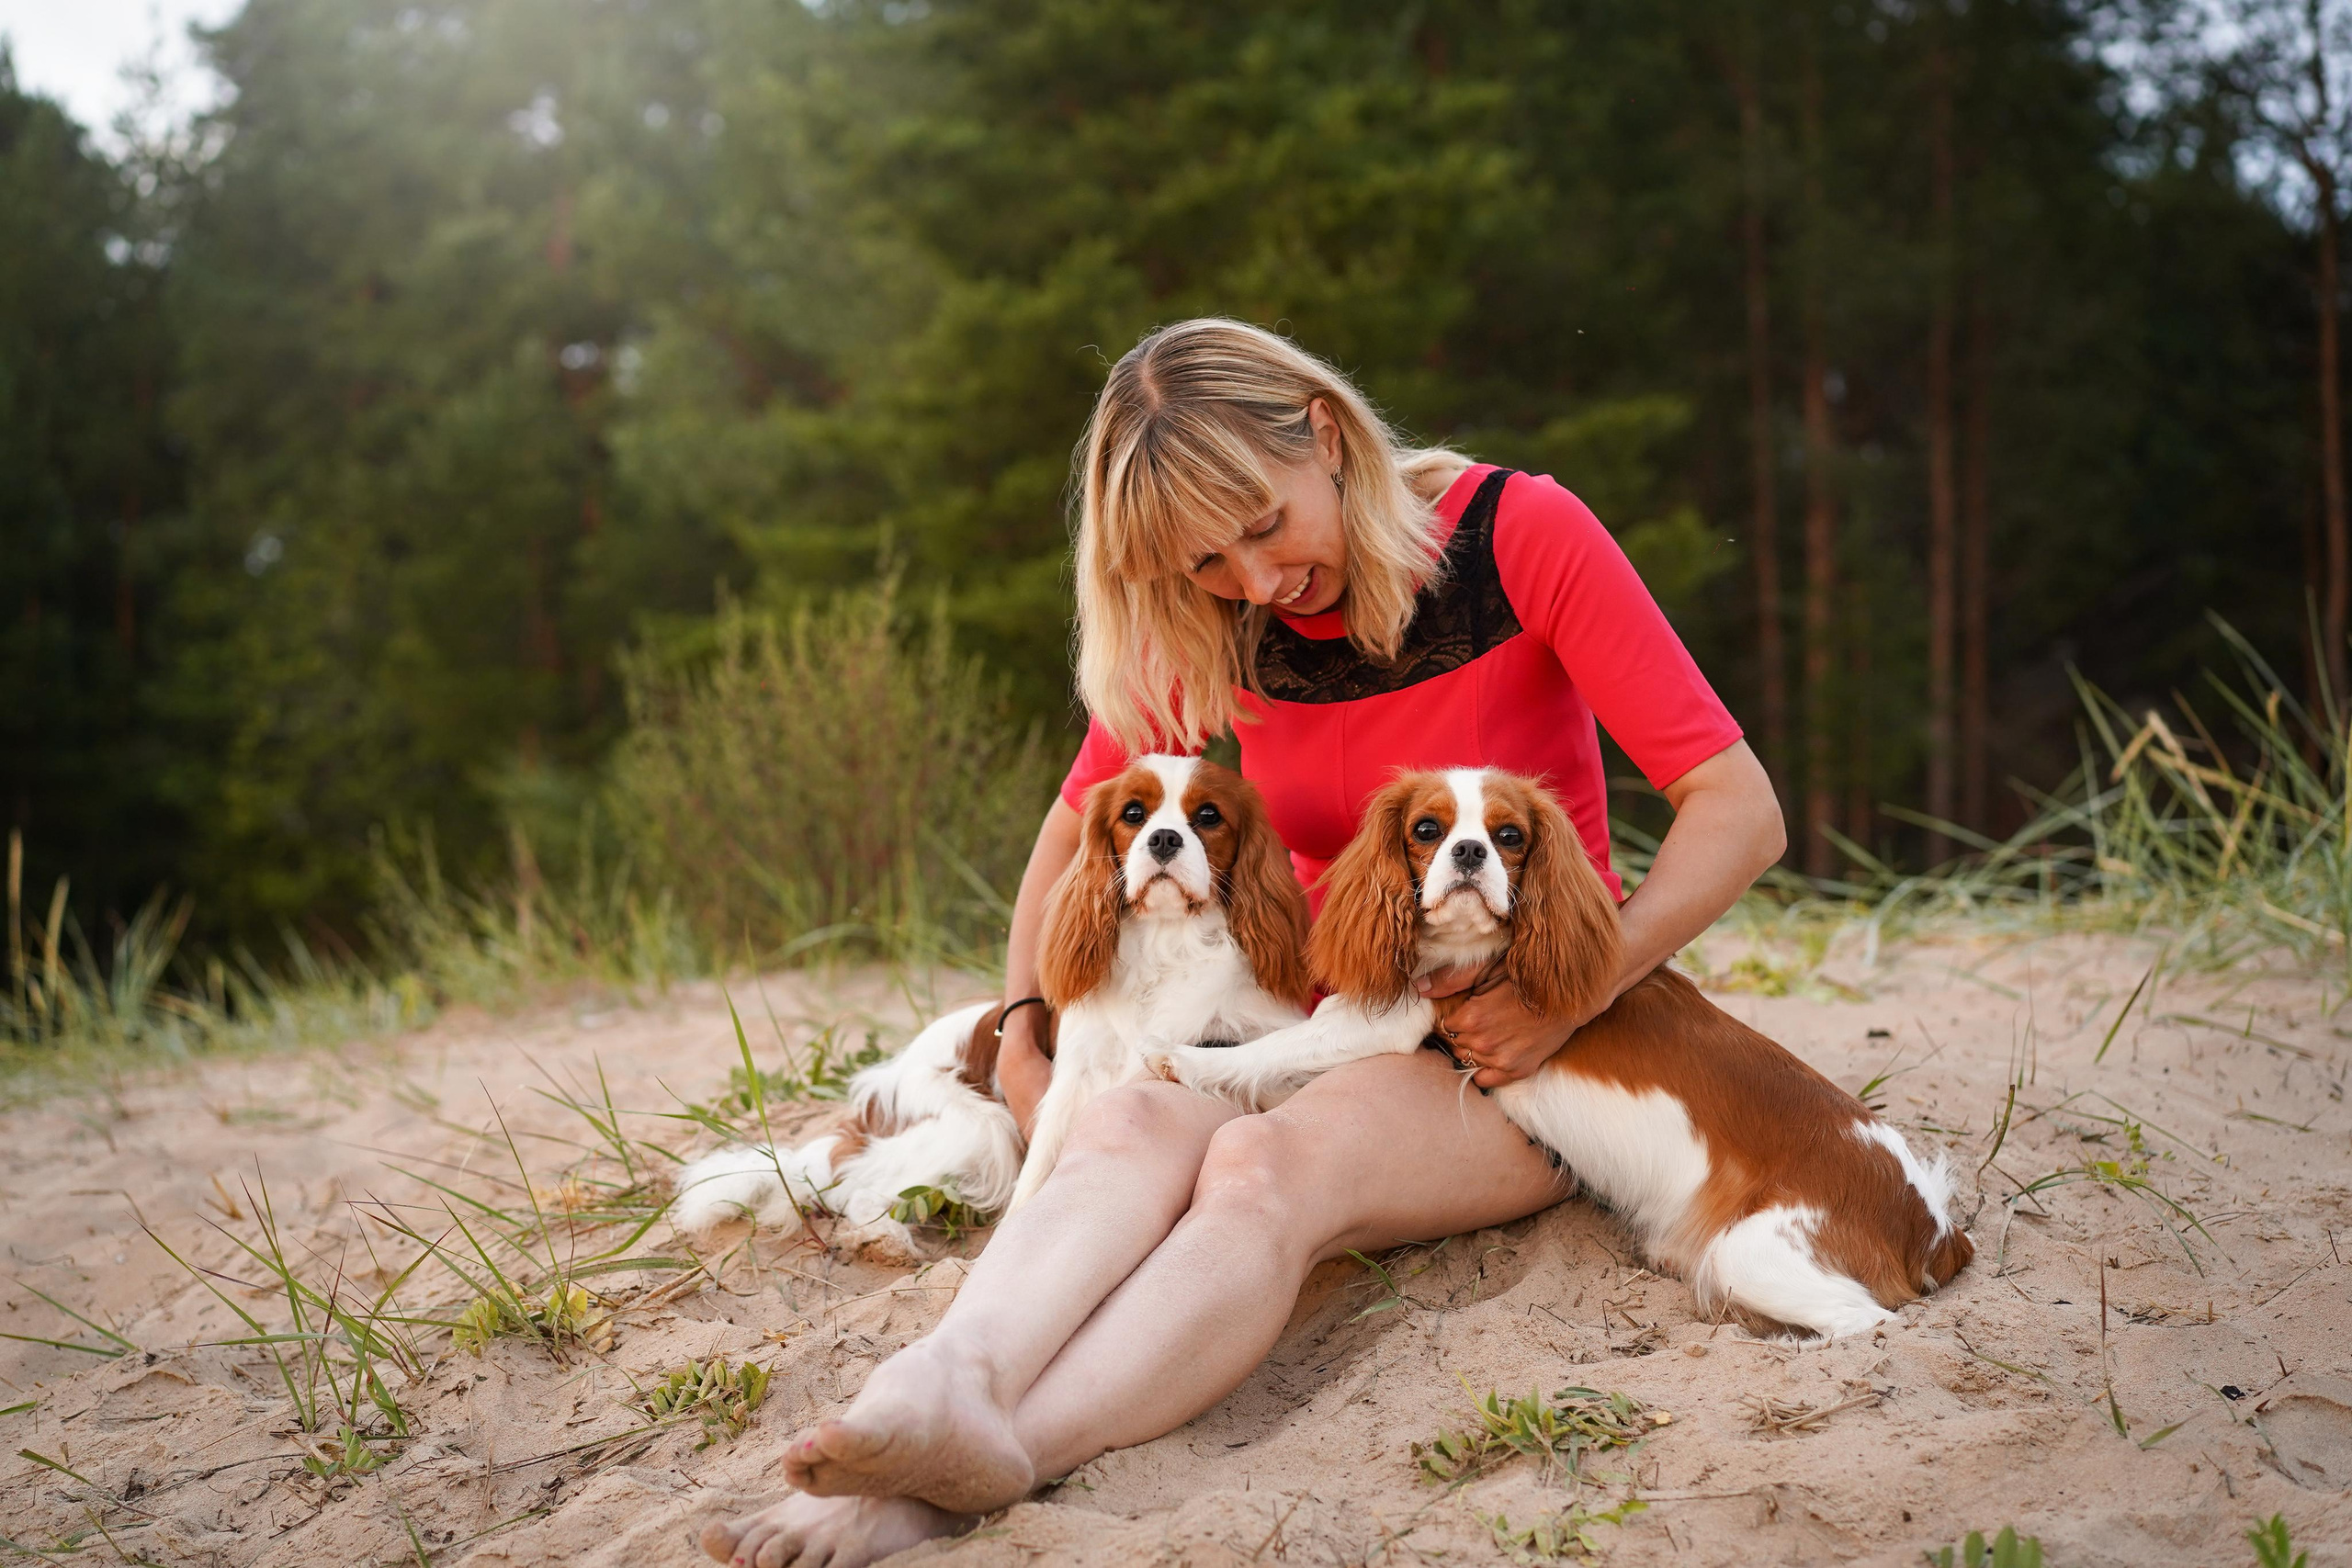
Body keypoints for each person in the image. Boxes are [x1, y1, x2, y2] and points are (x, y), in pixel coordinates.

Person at [701, 319, 1785, 1568]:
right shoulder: (1207, 611)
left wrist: (1577, 988)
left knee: (1265, 1170)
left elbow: (1740, 811)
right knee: (1119, 1123)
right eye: (1209, 561)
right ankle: (946, 1383)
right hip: (1294, 1027)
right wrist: (1019, 1032)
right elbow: (1068, 842)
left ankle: (972, 1476)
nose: (1257, 581)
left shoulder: (1521, 534)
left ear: (1325, 435)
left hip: (1503, 1039)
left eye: (1267, 526)